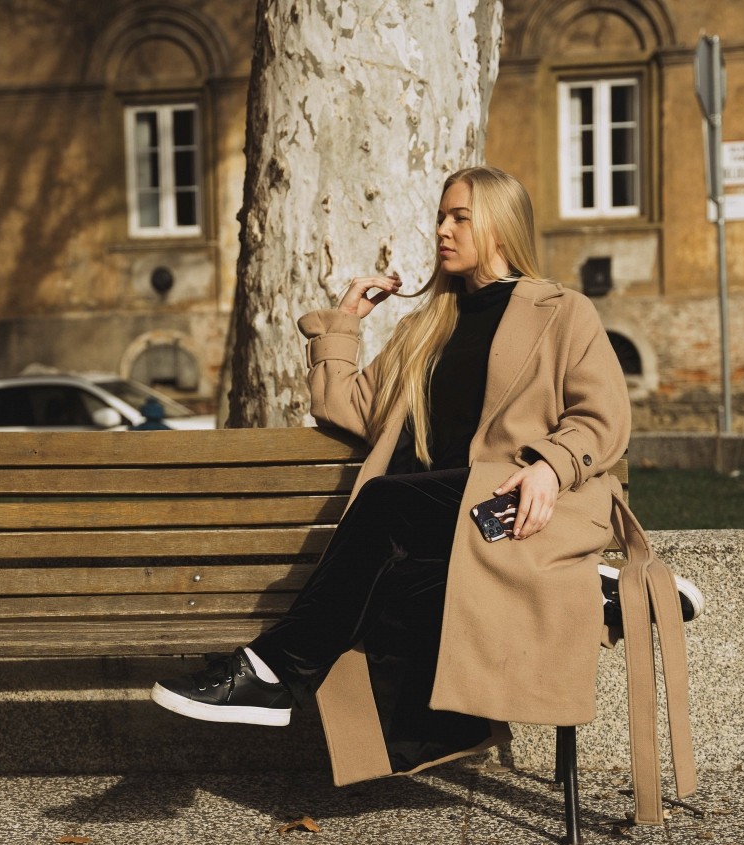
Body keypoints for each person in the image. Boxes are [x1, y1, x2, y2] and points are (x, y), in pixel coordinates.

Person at [151, 166, 633, 784]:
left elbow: (602, 417)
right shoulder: (426, 326)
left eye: (460, 218)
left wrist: (549, 466)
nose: (443, 230)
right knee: (386, 582)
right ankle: (584, 593)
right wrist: (345, 322)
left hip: (509, 507)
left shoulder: (561, 311)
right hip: (438, 528)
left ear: (500, 226)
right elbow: (350, 408)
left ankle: (273, 672)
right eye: (440, 217)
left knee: (381, 504)